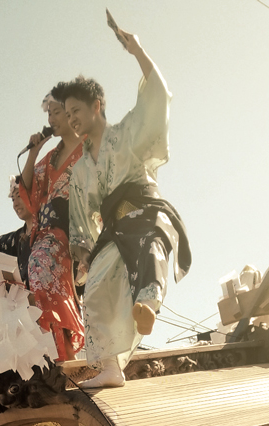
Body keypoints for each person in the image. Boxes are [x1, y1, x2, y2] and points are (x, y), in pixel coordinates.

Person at [65, 18, 191, 388]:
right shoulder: (80, 170)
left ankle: (148, 304)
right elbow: (80, 218)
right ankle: (110, 368)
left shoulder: (125, 132)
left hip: (145, 209)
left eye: (76, 111)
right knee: (96, 286)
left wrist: (137, 50)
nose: (72, 120)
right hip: (113, 227)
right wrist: (83, 254)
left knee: (149, 245)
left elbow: (157, 96)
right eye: (67, 115)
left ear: (96, 106)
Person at [18, 88, 85, 362]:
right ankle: (57, 354)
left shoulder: (89, 148)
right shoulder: (51, 158)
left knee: (43, 272)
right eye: (49, 114)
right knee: (39, 283)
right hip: (46, 236)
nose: (52, 119)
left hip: (74, 232)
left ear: (71, 113)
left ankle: (63, 352)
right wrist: (33, 153)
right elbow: (27, 191)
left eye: (57, 112)